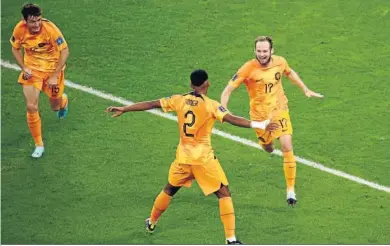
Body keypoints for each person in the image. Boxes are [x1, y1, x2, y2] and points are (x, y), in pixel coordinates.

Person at [106, 69, 279, 244]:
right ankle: (231, 239)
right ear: (207, 84)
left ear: (191, 85)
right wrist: (260, 124)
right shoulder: (210, 105)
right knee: (224, 193)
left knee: (169, 189)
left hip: (183, 159)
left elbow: (151, 104)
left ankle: (151, 221)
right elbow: (232, 119)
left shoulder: (178, 100)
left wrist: (125, 108)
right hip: (204, 160)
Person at [220, 36, 324, 206]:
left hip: (279, 109)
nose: (262, 54)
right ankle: (266, 143)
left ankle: (290, 190)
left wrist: (305, 88)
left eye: (265, 51)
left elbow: (289, 72)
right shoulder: (248, 68)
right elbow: (227, 91)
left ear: (271, 51)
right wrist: (223, 109)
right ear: (255, 51)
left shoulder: (280, 62)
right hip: (260, 117)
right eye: (259, 51)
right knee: (268, 148)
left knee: (287, 145)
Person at [10, 3, 70, 158]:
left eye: (39, 20)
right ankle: (39, 144)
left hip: (52, 70)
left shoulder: (50, 29)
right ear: (24, 21)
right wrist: (24, 67)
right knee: (31, 106)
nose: (37, 25)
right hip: (33, 71)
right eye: (33, 21)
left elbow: (65, 51)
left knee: (55, 106)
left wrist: (55, 75)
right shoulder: (19, 30)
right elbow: (15, 48)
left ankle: (63, 101)